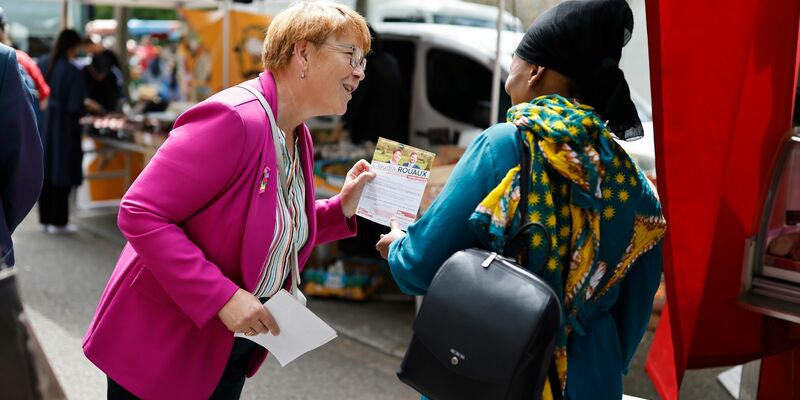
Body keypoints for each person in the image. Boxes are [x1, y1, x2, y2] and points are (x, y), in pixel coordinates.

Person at [82, 2, 375, 399]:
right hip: (164, 342)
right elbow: (140, 212)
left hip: (225, 342)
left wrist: (339, 209)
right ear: (302, 53)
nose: (359, 71)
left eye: (363, 60)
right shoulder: (235, 118)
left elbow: (264, 224)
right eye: (350, 54)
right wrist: (222, 295)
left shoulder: (295, 132)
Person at [376, 1, 666, 399]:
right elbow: (633, 316)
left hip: (494, 369)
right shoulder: (632, 184)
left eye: (515, 60)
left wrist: (397, 247)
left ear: (535, 71)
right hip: (589, 380)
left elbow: (420, 266)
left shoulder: (505, 145)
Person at [38, 29, 87, 234]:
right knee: (62, 172)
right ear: (73, 47)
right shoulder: (72, 71)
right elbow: (76, 105)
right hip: (64, 129)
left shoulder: (43, 63)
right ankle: (58, 222)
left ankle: (45, 220)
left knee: (46, 172)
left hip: (43, 126)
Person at [341, 24, 406, 144]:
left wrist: (346, 121)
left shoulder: (369, 64)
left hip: (368, 126)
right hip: (390, 122)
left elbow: (358, 96)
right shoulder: (390, 61)